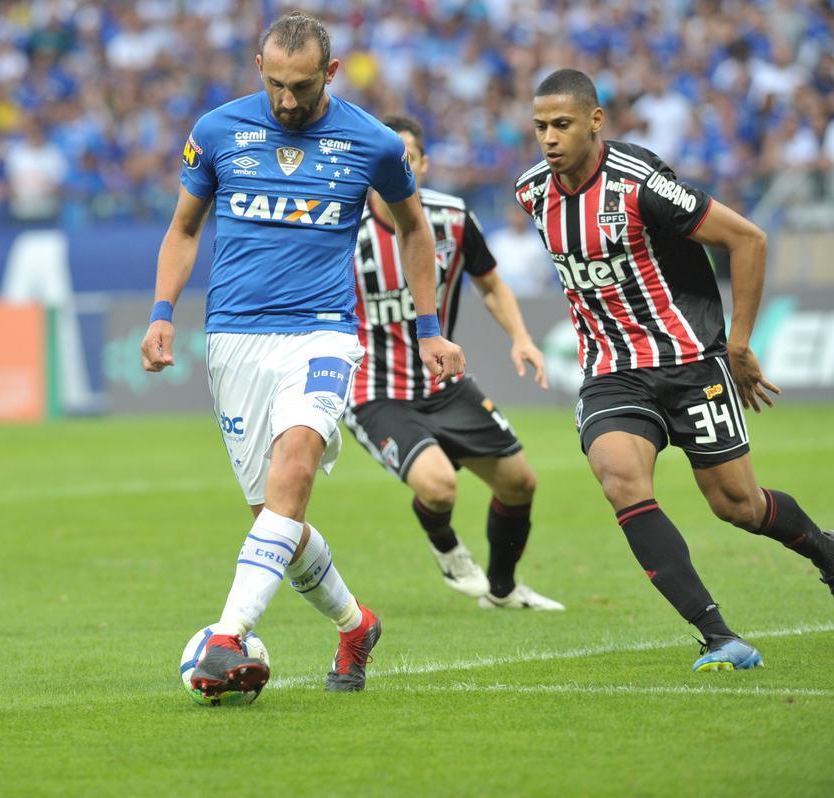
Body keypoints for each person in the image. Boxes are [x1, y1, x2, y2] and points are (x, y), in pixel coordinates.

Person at [140, 13, 465, 695]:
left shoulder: (374, 143)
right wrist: (162, 313)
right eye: (277, 84)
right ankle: (355, 625)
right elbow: (182, 229)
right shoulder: (216, 132)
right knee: (274, 523)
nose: (288, 100)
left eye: (304, 86)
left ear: (332, 72)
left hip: (322, 335)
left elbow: (414, 230)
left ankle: (225, 639)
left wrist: (428, 325)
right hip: (233, 338)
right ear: (258, 64)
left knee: (294, 472)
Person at [515, 68, 834, 671]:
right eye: (540, 127)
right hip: (612, 370)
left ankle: (827, 552)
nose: (550, 138)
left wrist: (737, 345)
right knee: (620, 478)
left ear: (595, 121)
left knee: (738, 505)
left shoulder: (642, 186)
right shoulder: (531, 191)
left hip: (691, 362)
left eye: (562, 124)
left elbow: (750, 240)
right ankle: (719, 636)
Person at [346, 115, 563, 611]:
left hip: (444, 382)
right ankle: (447, 548)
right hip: (375, 392)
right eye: (386, 159)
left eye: (407, 158)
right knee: (439, 486)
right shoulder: (343, 229)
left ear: (422, 164)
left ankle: (503, 591)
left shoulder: (453, 217)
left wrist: (521, 337)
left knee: (520, 482)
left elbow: (489, 282)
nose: (396, 167)